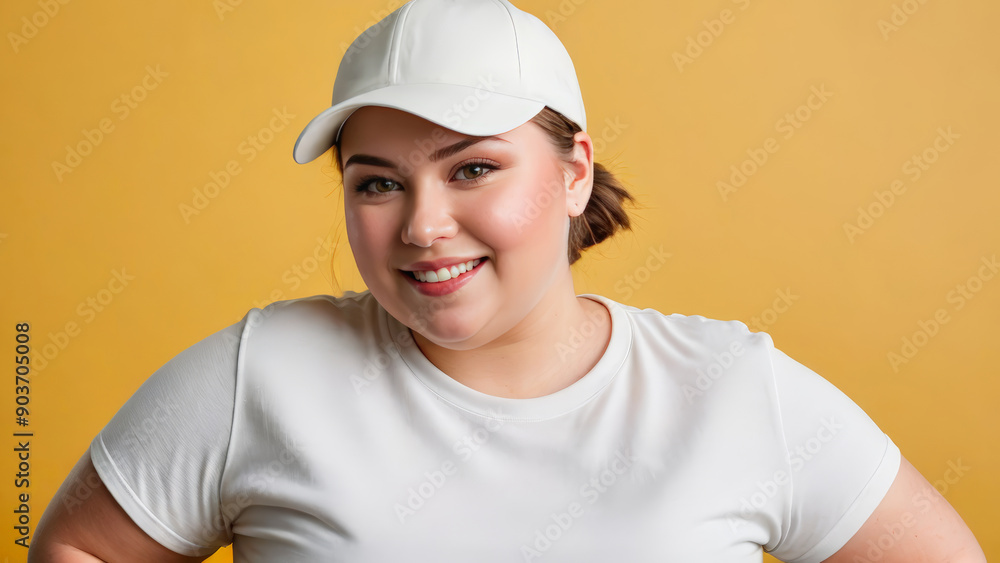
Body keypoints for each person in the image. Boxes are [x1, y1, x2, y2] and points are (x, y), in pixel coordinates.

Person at [30, 0, 986, 561]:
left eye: (473, 168)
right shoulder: (264, 372)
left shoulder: (730, 387)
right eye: (377, 183)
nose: (422, 225)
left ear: (572, 174)